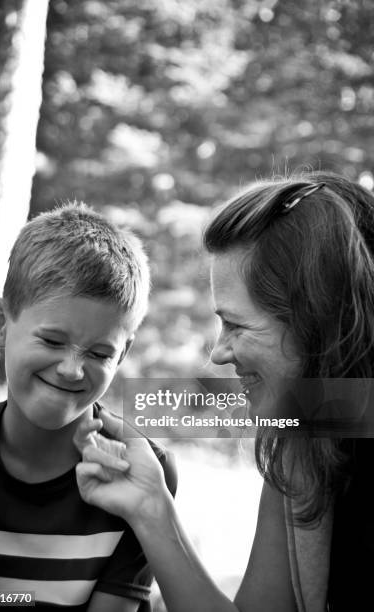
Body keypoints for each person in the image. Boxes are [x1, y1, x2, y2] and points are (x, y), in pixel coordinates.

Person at [74, 172, 374, 612]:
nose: (218, 353)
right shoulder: (305, 437)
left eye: (236, 325)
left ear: (318, 321)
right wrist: (150, 508)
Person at [0, 203, 176, 611]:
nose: (72, 369)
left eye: (99, 353)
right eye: (51, 341)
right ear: (0, 323)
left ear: (123, 353)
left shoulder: (142, 473)